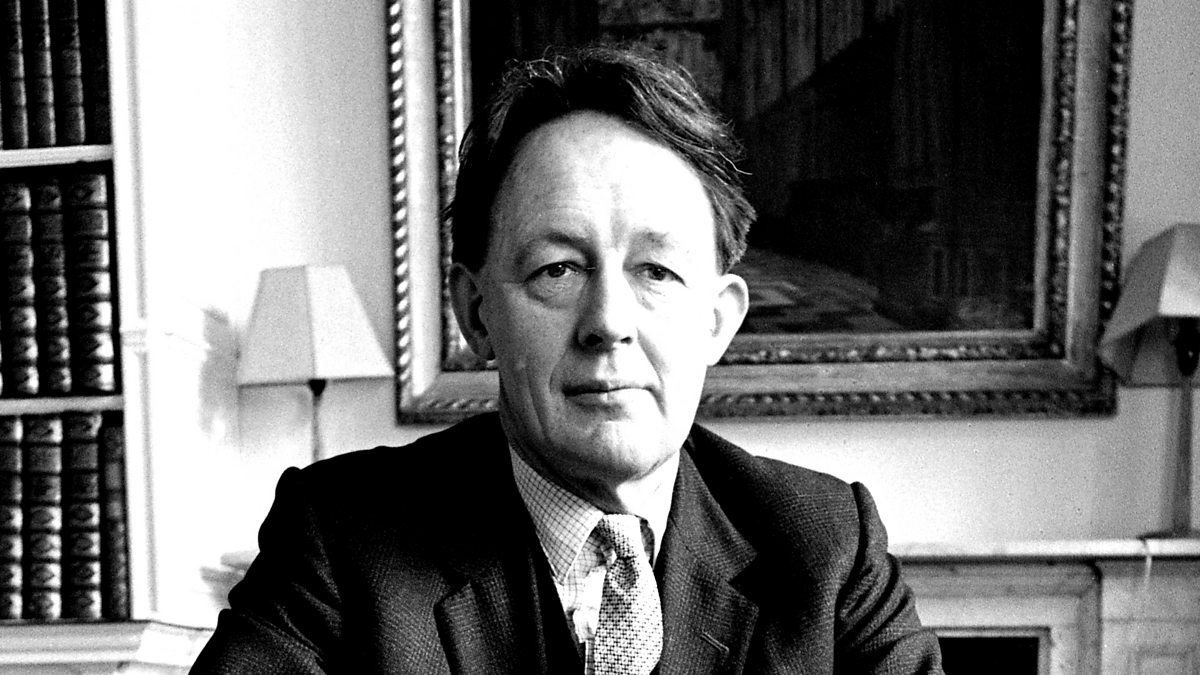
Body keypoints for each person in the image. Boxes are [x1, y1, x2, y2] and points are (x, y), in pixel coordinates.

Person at [192, 45, 943, 674]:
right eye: (557, 269)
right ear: (476, 314)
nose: (608, 322)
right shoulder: (340, 538)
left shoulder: (828, 550)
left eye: (656, 271)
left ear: (717, 322)